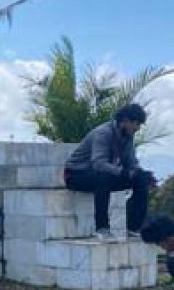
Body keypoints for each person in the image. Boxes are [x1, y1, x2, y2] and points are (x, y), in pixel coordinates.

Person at [64, 103, 157, 241]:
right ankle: (102, 228)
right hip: (76, 175)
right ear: (125, 121)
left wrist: (140, 173)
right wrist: (123, 173)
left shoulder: (128, 137)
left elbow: (131, 162)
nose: (137, 128)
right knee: (104, 178)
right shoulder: (103, 133)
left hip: (101, 174)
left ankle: (133, 228)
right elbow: (98, 163)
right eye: (136, 124)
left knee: (140, 180)